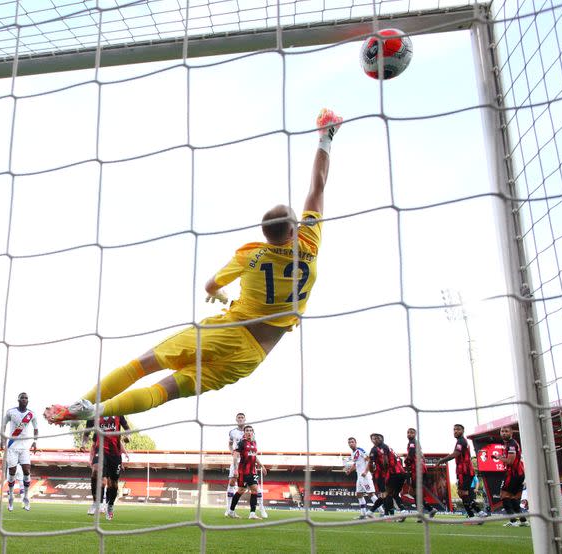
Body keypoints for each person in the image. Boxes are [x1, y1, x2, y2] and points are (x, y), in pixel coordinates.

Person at [43, 108, 343, 425]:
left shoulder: (250, 256)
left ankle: (82, 404)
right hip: (252, 357)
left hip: (228, 330)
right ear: (295, 229)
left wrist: (222, 295)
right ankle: (101, 412)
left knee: (144, 364)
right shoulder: (310, 244)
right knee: (164, 392)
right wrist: (325, 137)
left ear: (266, 236)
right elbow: (317, 188)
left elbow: (210, 285)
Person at [81, 415, 129, 520]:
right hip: (100, 451)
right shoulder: (94, 414)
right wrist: (83, 444)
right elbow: (87, 433)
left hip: (115, 455)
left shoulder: (118, 413)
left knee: (113, 484)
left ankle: (110, 506)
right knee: (95, 472)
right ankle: (96, 503)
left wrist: (128, 436)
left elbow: (127, 428)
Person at [436, 424, 486, 522]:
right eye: (454, 429)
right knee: (462, 494)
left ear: (463, 431)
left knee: (463, 493)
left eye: (458, 429)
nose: (455, 431)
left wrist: (442, 460)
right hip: (463, 471)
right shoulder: (462, 441)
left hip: (465, 471)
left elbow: (455, 454)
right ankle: (476, 514)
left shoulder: (461, 441)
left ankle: (477, 513)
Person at [1, 392, 39, 512]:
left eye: (26, 398)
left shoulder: (31, 414)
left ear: (28, 400)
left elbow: (36, 429)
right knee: (11, 472)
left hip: (24, 447)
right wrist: (2, 440)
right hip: (12, 446)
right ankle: (11, 497)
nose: (24, 399)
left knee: (27, 470)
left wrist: (35, 442)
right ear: (18, 399)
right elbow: (3, 426)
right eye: (22, 398)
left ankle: (26, 499)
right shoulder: (11, 412)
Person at [227, 413, 268, 518]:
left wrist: (262, 466)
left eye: (250, 431)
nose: (249, 432)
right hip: (243, 471)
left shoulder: (254, 443)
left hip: (252, 471)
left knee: (255, 489)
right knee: (241, 490)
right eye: (247, 431)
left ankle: (252, 513)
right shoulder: (242, 443)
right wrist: (236, 469)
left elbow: (254, 456)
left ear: (253, 433)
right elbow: (235, 456)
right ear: (244, 433)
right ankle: (231, 510)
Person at [494, 425, 528, 527]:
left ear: (511, 433)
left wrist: (499, 457)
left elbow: (510, 461)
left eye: (506, 431)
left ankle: (513, 521)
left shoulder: (511, 444)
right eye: (502, 431)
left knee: (503, 496)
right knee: (513, 498)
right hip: (519, 474)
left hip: (513, 474)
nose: (504, 433)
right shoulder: (510, 444)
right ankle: (523, 520)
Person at [368, 433, 407, 522]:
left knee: (385, 494)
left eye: (377, 438)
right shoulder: (388, 447)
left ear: (382, 439)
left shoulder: (378, 449)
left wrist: (374, 471)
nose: (375, 440)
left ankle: (382, 514)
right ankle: (401, 512)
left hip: (390, 474)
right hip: (401, 472)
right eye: (373, 439)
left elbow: (381, 463)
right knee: (392, 494)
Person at [405, 428, 437, 520]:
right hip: (420, 469)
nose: (409, 434)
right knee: (415, 492)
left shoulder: (412, 442)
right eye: (408, 432)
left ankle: (425, 511)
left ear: (415, 434)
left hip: (417, 470)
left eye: (411, 432)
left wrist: (406, 461)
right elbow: (422, 456)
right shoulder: (417, 443)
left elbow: (411, 454)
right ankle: (427, 510)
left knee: (414, 492)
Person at [344, 437, 377, 519]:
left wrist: (365, 472)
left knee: (370, 494)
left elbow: (369, 460)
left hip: (365, 476)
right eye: (349, 442)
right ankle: (363, 514)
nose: (351, 443)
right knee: (359, 494)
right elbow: (355, 464)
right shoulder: (353, 453)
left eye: (352, 442)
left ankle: (382, 512)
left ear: (355, 442)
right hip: (359, 477)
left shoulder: (360, 450)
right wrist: (349, 471)